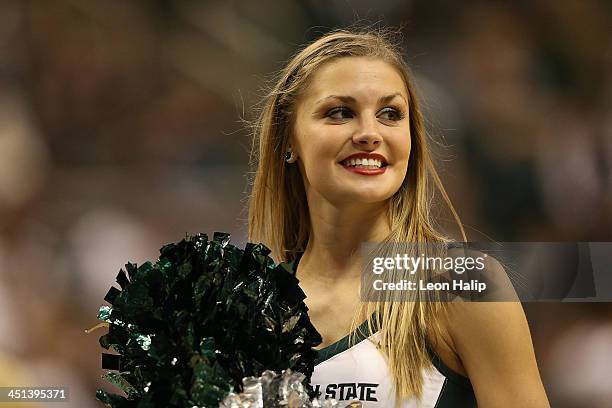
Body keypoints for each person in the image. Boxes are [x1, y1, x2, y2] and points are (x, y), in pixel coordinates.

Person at [246, 28, 549, 407]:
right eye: (340, 112)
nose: (370, 133)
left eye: (390, 114)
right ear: (288, 140)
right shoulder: (253, 304)